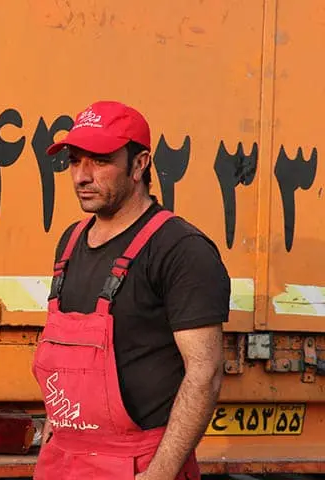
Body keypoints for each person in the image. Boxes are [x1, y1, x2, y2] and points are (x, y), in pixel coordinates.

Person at [31, 101, 230, 480]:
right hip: (64, 461)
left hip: (138, 464)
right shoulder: (70, 243)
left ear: (139, 165)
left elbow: (205, 373)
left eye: (100, 161)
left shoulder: (180, 249)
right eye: (74, 161)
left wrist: (161, 473)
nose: (81, 176)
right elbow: (64, 368)